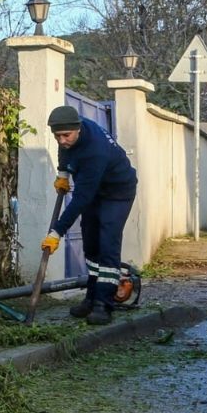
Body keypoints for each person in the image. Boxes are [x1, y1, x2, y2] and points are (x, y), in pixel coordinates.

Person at [39, 105, 137, 326]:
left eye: (66, 135)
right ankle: (91, 297)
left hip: (117, 192)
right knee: (91, 243)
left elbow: (81, 199)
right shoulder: (71, 129)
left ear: (78, 129)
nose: (62, 140)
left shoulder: (95, 151)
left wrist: (57, 232)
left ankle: (104, 304)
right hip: (95, 189)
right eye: (57, 136)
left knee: (107, 243)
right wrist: (63, 172)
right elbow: (65, 150)